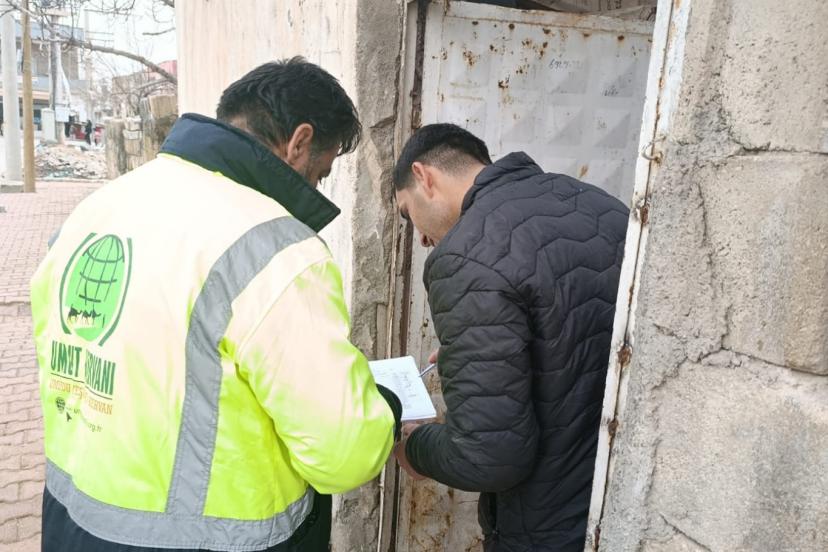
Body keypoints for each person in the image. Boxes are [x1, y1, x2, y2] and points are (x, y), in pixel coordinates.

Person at [31, 57, 401, 552]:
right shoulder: (275, 249)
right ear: (299, 142)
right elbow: (344, 454)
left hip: (71, 524)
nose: (314, 188)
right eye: (321, 173)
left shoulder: (95, 210)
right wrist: (385, 407)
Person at [391, 124, 628, 551]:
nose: (422, 238)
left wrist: (416, 448)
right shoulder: (602, 206)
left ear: (424, 176)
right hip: (619, 507)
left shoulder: (464, 256)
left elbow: (489, 456)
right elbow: (571, 344)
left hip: (545, 527)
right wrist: (483, 354)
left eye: (408, 214)